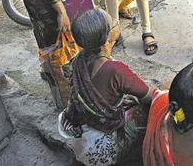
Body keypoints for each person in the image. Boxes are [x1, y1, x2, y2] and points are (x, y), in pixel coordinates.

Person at [59, 9, 155, 165]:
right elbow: (150, 96)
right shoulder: (116, 71)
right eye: (114, 23)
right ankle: (132, 154)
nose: (117, 23)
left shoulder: (79, 60)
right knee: (152, 106)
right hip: (106, 137)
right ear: (107, 39)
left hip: (86, 124)